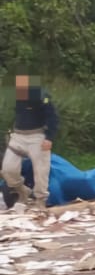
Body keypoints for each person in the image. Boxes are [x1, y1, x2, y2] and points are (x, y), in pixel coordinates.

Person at [3, 75, 59, 210]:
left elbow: (53, 117)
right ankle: (22, 190)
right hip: (18, 136)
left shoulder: (42, 97)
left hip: (37, 136)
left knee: (41, 171)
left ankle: (40, 200)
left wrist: (49, 138)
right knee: (8, 169)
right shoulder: (15, 97)